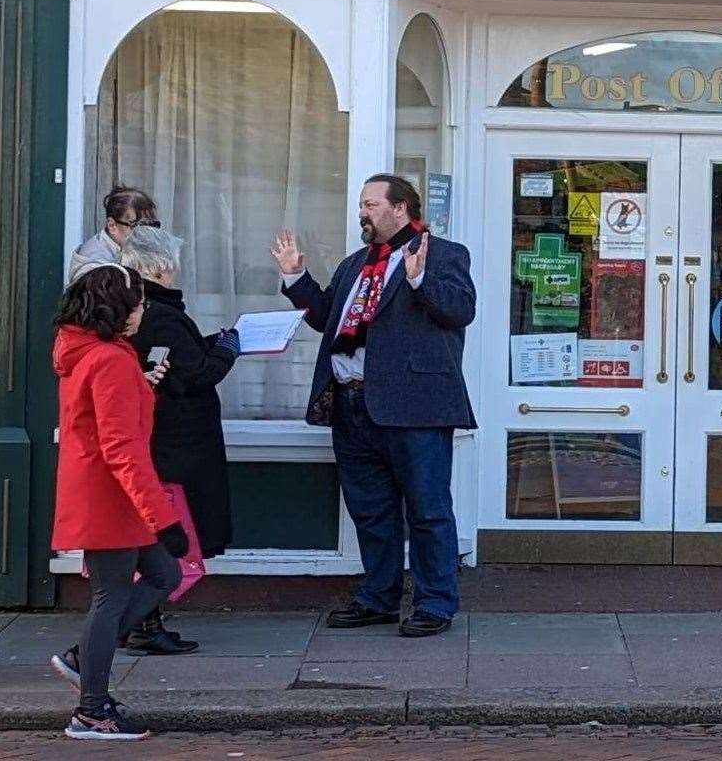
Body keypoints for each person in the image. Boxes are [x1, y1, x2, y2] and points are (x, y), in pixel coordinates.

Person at [273, 174, 476, 637]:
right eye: (361, 205)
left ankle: (435, 602)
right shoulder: (354, 264)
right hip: (351, 404)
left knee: (427, 509)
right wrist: (295, 277)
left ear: (400, 208)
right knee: (371, 509)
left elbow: (460, 310)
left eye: (370, 204)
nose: (361, 212)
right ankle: (379, 597)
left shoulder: (444, 254)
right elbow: (328, 319)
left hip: (414, 405)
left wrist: (419, 279)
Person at [48, 264, 189, 741]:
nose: (142, 311)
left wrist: (141, 388)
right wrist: (163, 518)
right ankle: (91, 710)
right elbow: (121, 447)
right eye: (139, 303)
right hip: (111, 496)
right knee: (110, 598)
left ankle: (84, 660)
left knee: (164, 574)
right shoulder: (108, 358)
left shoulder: (95, 351)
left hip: (111, 492)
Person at [118, 226, 242, 656]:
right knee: (169, 538)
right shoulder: (161, 313)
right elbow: (197, 374)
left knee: (151, 537)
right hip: (177, 443)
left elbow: (176, 362)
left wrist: (210, 344)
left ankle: (142, 622)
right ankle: (140, 623)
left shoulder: (137, 309)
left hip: (159, 439)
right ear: (159, 266)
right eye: (171, 262)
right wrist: (229, 349)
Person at [68, 187, 159, 284]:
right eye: (138, 227)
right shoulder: (95, 269)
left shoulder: (128, 247)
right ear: (112, 226)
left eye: (151, 226)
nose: (146, 235)